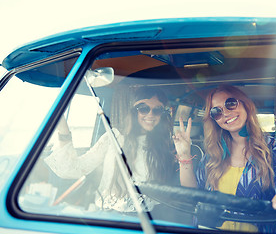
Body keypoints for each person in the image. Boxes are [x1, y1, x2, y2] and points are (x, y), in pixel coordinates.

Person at [173, 84, 276, 232]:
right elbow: (193, 194)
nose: (225, 113)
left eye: (230, 104)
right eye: (216, 111)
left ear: (245, 104)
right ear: (214, 119)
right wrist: (184, 154)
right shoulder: (213, 154)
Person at [44, 86, 177, 212]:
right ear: (133, 110)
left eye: (157, 110)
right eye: (143, 108)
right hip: (109, 215)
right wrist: (63, 130)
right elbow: (74, 168)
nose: (150, 114)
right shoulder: (114, 138)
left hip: (146, 218)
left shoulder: (164, 145)